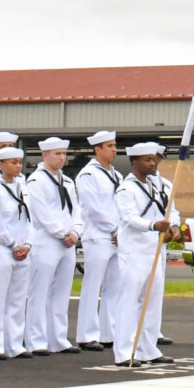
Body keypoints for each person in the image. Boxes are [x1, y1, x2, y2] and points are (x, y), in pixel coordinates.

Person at [111, 142, 177, 367]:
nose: (153, 163)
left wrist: (172, 227)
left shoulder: (155, 187)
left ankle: (148, 349)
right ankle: (124, 351)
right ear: (135, 162)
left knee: (152, 302)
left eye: (154, 159)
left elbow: (167, 210)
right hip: (134, 252)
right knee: (129, 302)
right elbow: (129, 218)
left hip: (154, 250)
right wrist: (153, 225)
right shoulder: (126, 189)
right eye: (148, 160)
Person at [23, 137, 83, 354]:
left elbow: (77, 210)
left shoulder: (67, 182)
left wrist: (75, 231)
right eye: (57, 153)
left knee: (61, 292)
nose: (61, 158)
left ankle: (58, 338)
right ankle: (36, 340)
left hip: (68, 242)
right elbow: (41, 213)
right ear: (45, 155)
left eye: (63, 154)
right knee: (39, 293)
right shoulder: (36, 181)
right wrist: (62, 232)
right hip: (46, 241)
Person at [0, 140, 35, 359]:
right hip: (1, 250)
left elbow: (30, 220)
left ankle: (14, 343)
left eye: (20, 162)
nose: (18, 166)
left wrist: (27, 244)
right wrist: (13, 244)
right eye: (13, 162)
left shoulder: (23, 189)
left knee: (18, 300)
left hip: (21, 250)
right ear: (0, 164)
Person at [74, 130, 125, 351]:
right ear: (97, 150)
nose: (114, 150)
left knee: (114, 286)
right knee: (92, 285)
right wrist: (113, 228)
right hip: (97, 235)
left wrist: (121, 230)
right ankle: (87, 334)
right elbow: (93, 208)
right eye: (109, 146)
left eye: (114, 145)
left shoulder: (117, 175)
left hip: (116, 237)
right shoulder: (88, 175)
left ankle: (108, 331)